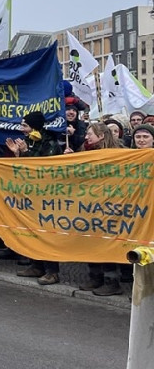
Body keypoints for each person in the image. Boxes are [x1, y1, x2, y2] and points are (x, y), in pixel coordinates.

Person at [73, 122, 130, 296]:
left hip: (109, 206)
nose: (86, 137)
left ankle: (111, 281)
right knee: (90, 242)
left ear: (101, 136)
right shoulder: (84, 150)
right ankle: (95, 277)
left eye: (89, 134)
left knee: (106, 243)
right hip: (88, 206)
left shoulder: (118, 154)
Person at [8, 111, 63, 284]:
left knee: (46, 233)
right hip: (30, 195)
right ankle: (36, 265)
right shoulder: (29, 142)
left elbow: (41, 168)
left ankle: (52, 271)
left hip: (46, 196)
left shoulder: (50, 143)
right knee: (31, 231)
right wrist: (18, 154)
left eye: (24, 126)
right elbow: (24, 169)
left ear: (34, 127)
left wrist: (25, 153)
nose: (21, 129)